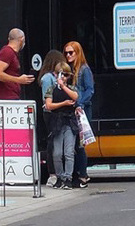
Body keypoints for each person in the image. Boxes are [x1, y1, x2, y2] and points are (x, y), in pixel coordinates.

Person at [64, 41, 94, 187]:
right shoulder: (69, 70)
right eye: (66, 53)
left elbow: (90, 90)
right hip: (73, 108)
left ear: (77, 52)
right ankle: (80, 174)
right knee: (75, 144)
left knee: (80, 144)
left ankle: (83, 175)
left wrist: (80, 103)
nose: (68, 55)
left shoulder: (84, 69)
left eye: (71, 52)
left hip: (82, 109)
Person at [45, 58, 78, 189]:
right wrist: (63, 103)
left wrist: (63, 86)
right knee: (57, 153)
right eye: (60, 74)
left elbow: (75, 97)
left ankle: (68, 178)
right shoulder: (51, 89)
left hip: (69, 122)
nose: (63, 77)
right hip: (57, 122)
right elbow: (48, 105)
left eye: (65, 74)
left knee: (69, 152)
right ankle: (59, 177)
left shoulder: (71, 88)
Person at [38, 49, 66, 181]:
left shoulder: (55, 77)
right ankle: (52, 172)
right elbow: (46, 99)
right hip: (50, 113)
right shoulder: (47, 78)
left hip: (56, 112)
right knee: (52, 142)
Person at [0, 28, 35, 100]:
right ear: (22, 39)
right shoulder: (7, 52)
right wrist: (19, 80)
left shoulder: (12, 53)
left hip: (11, 96)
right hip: (6, 98)